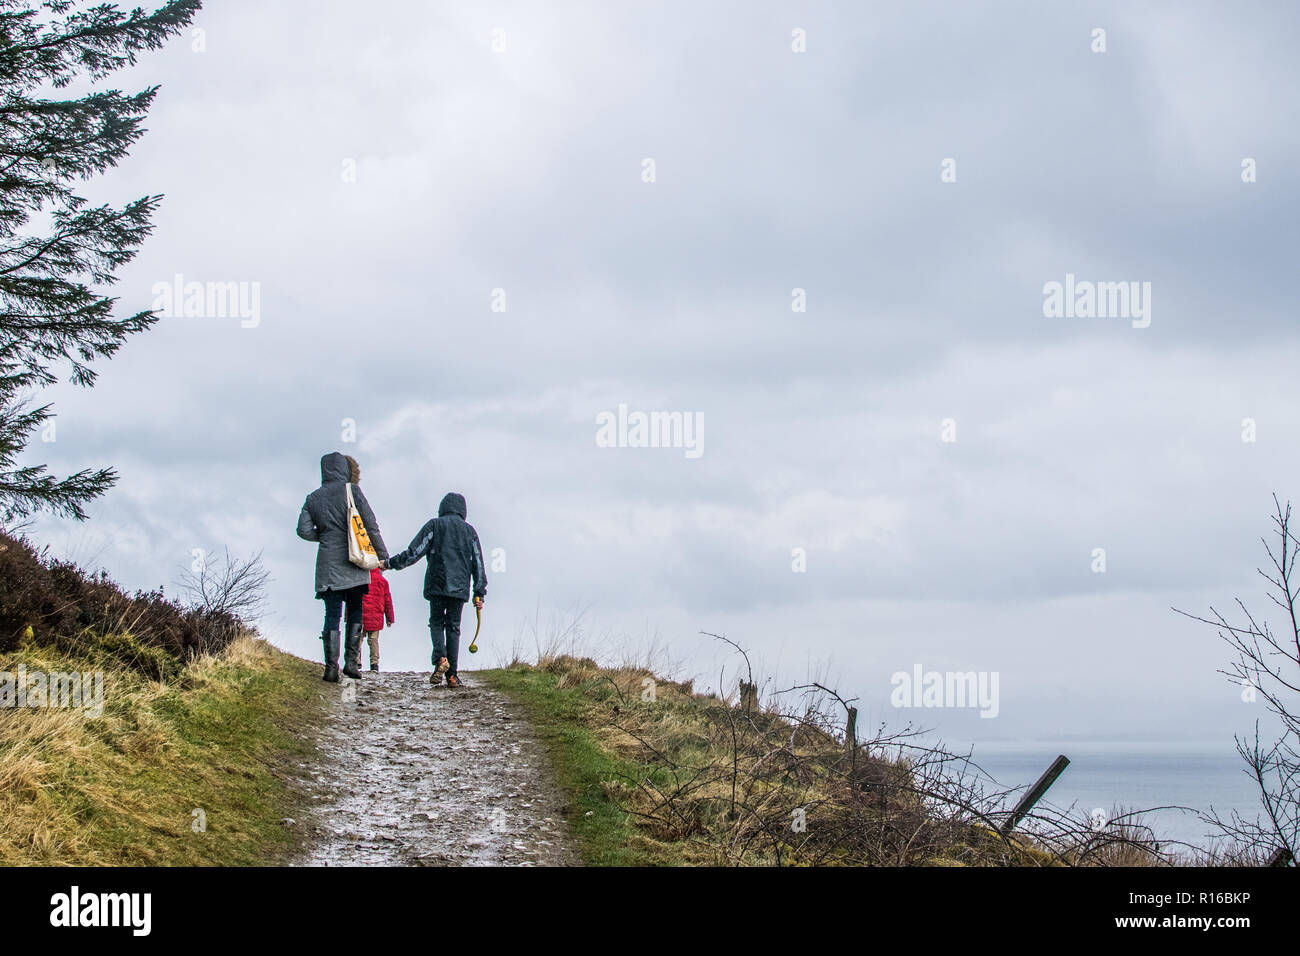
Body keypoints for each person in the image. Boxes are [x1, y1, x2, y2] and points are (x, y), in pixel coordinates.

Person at [296, 451, 389, 682]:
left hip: (328, 565)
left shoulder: (312, 498)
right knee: (356, 608)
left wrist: (325, 536)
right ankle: (350, 664)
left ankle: (330, 668)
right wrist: (382, 555)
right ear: (345, 469)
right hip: (355, 561)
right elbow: (370, 524)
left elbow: (303, 530)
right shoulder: (352, 491)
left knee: (332, 614)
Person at [382, 492, 486, 688]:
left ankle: (440, 659)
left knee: (436, 622)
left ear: (442, 508)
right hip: (460, 587)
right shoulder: (470, 532)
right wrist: (479, 592)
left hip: (437, 584)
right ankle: (452, 676)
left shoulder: (434, 525)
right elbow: (478, 563)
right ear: (463, 510)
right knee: (454, 627)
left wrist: (390, 564)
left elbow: (415, 552)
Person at [360, 566, 395, 671]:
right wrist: (390, 618)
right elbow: (388, 600)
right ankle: (374, 664)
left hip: (360, 616)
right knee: (373, 640)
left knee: (358, 639)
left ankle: (356, 661)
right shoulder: (383, 581)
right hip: (376, 617)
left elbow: (353, 599)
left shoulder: (361, 578)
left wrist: (348, 615)